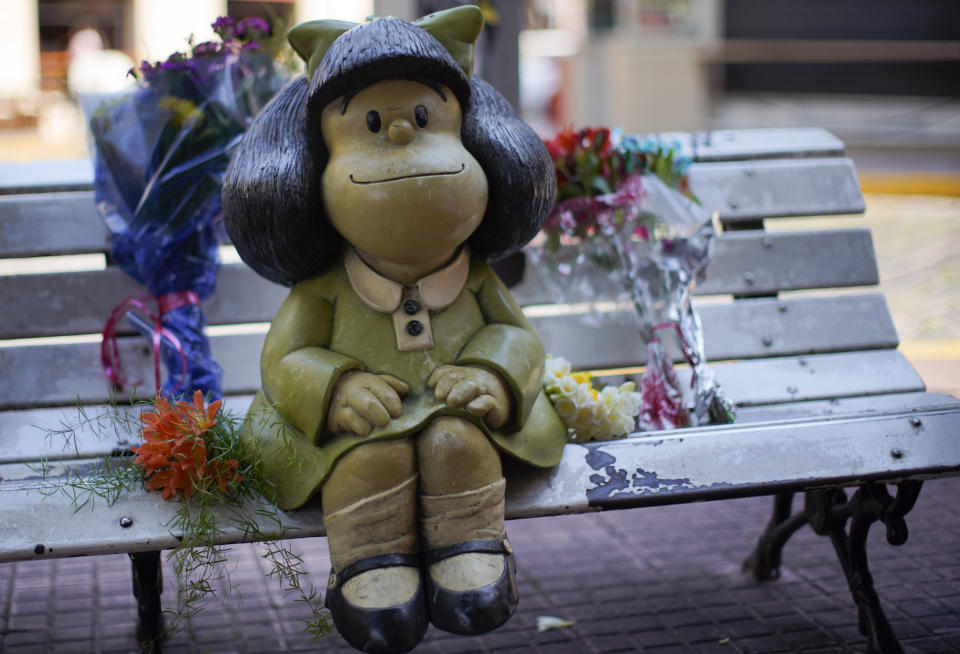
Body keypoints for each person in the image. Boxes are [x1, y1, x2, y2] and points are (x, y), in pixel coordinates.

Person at [222, 7, 566, 653]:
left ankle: (471, 547)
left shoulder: (475, 278)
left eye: (427, 117)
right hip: (351, 430)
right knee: (370, 457)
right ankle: (369, 563)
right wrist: (334, 387)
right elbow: (285, 357)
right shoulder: (326, 286)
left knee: (457, 442)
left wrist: (492, 372)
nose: (404, 136)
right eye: (372, 124)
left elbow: (518, 337)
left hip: (459, 412)